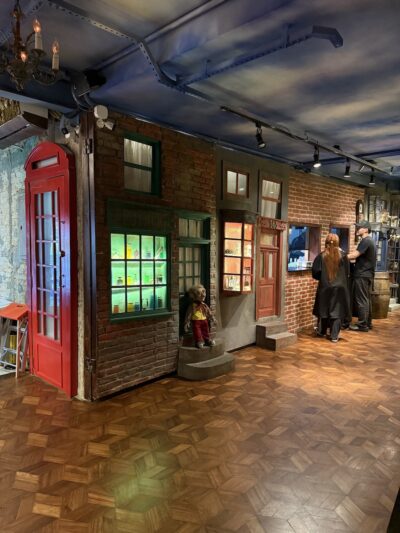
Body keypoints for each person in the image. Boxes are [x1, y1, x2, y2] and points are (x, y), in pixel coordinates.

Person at [312, 233, 350, 342]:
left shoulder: (321, 256)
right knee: (337, 311)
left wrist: (323, 279)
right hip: (340, 288)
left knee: (324, 308)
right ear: (338, 243)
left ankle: (322, 331)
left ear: (326, 243)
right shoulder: (344, 256)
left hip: (325, 286)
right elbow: (347, 272)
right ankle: (334, 336)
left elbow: (316, 273)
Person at [347, 220, 376, 331]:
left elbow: (355, 255)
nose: (357, 229)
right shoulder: (370, 241)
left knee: (362, 300)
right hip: (367, 274)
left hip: (362, 275)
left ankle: (362, 325)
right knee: (366, 299)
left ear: (366, 230)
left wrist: (340, 256)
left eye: (359, 227)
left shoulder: (366, 241)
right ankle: (367, 323)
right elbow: (362, 258)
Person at [184, 284, 217, 348]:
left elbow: (208, 312)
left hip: (204, 320)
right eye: (200, 294)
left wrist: (212, 318)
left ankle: (207, 340)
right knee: (197, 331)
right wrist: (187, 322)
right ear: (194, 296)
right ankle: (199, 341)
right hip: (196, 321)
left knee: (206, 330)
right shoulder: (192, 306)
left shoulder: (204, 305)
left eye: (204, 293)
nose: (203, 295)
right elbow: (189, 314)